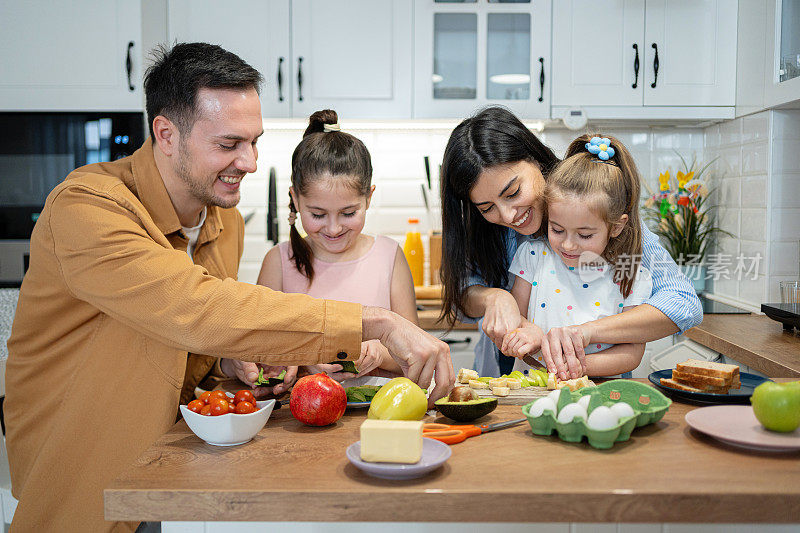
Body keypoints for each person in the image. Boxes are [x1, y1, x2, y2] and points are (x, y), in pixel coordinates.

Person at [4, 43, 453, 533]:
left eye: (254, 141)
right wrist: (374, 321)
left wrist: (236, 360)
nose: (251, 161)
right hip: (85, 468)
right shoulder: (87, 209)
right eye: (229, 144)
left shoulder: (223, 220)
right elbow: (193, 307)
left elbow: (196, 343)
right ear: (166, 134)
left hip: (171, 466)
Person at [439, 106, 702, 380]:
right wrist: (493, 297)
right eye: (486, 207)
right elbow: (462, 294)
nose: (507, 215)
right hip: (508, 379)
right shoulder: (528, 252)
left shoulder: (598, 207)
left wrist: (582, 336)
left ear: (534, 158)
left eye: (513, 192)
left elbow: (682, 303)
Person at [237, 109, 416, 383]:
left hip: (379, 415)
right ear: (295, 200)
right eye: (318, 215)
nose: (333, 229)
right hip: (301, 416)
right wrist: (303, 359)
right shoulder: (278, 261)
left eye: (348, 213)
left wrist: (379, 352)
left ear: (369, 197)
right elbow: (261, 351)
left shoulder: (389, 256)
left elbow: (415, 349)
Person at [501, 134, 653, 377]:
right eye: (557, 229)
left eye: (584, 235)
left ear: (616, 227)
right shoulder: (533, 254)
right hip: (533, 389)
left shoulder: (630, 271)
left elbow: (632, 353)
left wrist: (574, 368)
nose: (569, 245)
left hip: (601, 393)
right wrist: (526, 331)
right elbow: (514, 316)